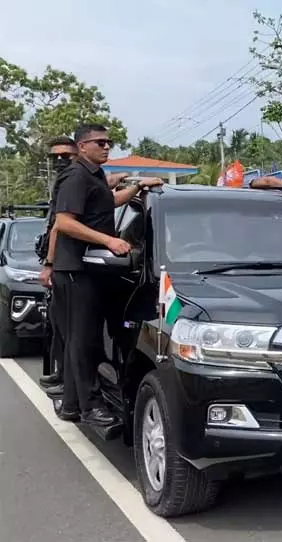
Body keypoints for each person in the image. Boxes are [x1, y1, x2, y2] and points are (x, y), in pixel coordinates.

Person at [52, 124, 162, 425]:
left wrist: (138, 187)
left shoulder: (95, 175)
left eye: (108, 142)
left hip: (92, 269)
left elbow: (109, 202)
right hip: (75, 269)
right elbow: (63, 222)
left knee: (84, 339)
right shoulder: (75, 176)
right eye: (99, 142)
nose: (106, 147)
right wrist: (109, 240)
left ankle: (72, 405)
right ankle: (91, 406)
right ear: (82, 146)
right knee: (82, 341)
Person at [37, 136, 78, 392]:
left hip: (65, 264)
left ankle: (67, 381)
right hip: (57, 262)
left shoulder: (77, 178)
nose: (61, 161)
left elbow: (59, 228)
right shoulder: (63, 181)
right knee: (56, 326)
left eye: (66, 155)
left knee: (68, 330)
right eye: (56, 157)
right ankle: (60, 373)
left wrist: (49, 264)